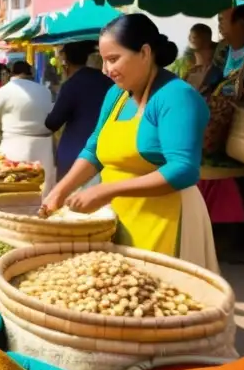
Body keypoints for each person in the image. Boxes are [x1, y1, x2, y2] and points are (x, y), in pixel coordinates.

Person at [41, 15, 217, 271]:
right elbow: (94, 150)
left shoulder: (176, 96)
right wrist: (60, 191)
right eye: (103, 60)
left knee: (160, 302)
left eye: (113, 59)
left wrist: (106, 191)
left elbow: (183, 169)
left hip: (165, 219)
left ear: (144, 52)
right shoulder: (116, 95)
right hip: (118, 217)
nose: (105, 69)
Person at [0, 61, 57, 196]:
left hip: (15, 149)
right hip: (45, 151)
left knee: (13, 194)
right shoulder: (45, 91)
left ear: (9, 74)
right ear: (31, 73)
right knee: (42, 194)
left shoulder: (4, 91)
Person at [46, 41, 113, 182]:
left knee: (70, 200)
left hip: (75, 153)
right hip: (106, 151)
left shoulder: (71, 85)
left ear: (66, 60)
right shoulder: (107, 81)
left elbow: (53, 123)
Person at [171, 24, 216, 90]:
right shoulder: (189, 69)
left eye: (194, 36)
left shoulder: (213, 70)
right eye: (190, 36)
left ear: (206, 40)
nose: (189, 38)